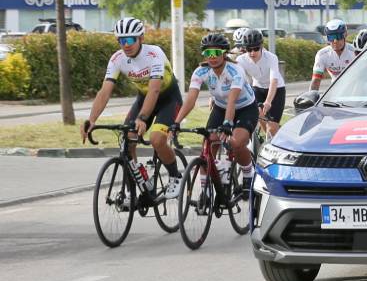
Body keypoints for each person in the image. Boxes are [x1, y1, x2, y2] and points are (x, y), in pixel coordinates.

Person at [81, 17, 184, 199]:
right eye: (121, 41)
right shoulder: (117, 59)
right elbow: (104, 92)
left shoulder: (154, 54)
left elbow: (155, 89)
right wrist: (92, 120)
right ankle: (136, 187)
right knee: (127, 140)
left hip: (168, 99)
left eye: (130, 40)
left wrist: (143, 118)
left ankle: (175, 176)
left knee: (157, 139)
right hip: (144, 98)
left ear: (141, 38)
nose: (125, 45)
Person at [172, 33, 259, 200]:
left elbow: (232, 100)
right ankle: (205, 193)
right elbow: (190, 100)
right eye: (208, 54)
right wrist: (176, 123)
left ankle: (248, 173)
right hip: (220, 108)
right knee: (208, 148)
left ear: (224, 54)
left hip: (245, 108)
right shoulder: (201, 71)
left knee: (235, 143)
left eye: (216, 53)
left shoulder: (235, 70)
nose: (212, 57)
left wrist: (227, 124)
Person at [234, 29, 285, 137]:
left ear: (261, 46)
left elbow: (273, 81)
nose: (252, 53)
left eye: (256, 49)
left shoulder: (271, 57)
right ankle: (265, 138)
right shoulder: (240, 60)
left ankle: (273, 136)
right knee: (259, 115)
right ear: (244, 48)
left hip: (276, 89)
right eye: (249, 49)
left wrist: (268, 101)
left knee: (271, 128)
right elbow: (237, 81)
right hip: (257, 87)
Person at [311, 19, 356, 90]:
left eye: (338, 36)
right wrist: (311, 98)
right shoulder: (322, 54)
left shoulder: (354, 52)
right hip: (335, 91)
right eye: (331, 37)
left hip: (354, 90)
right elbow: (316, 80)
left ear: (345, 35)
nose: (335, 41)